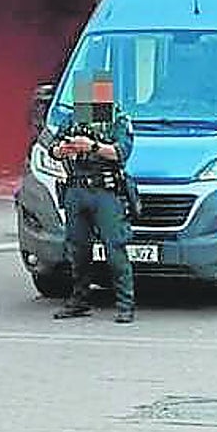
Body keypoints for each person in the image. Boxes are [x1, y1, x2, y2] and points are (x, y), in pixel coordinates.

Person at [41, 70, 137, 324]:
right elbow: (52, 147)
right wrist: (62, 149)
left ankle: (125, 304)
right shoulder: (72, 119)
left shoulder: (118, 119)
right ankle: (79, 299)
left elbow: (121, 152)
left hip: (105, 190)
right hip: (76, 188)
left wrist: (92, 146)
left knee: (114, 247)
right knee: (77, 248)